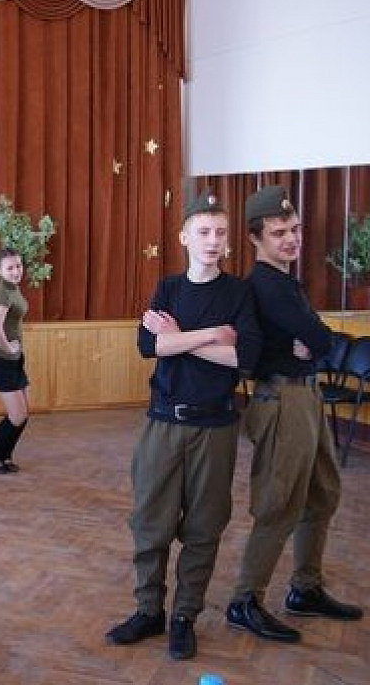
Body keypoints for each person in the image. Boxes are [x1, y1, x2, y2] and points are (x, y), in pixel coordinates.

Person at [104, 192, 261, 660]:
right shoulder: (168, 288)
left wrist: (178, 339)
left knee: (204, 527)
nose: (213, 241)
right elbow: (148, 347)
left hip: (216, 428)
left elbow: (245, 358)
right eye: (204, 232)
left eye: (220, 233)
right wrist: (212, 335)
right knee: (149, 522)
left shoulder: (239, 292)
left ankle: (183, 617)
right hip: (163, 425)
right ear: (184, 237)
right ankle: (148, 610)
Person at [225, 184, 364, 643]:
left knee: (323, 494)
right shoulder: (266, 285)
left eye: (295, 229)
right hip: (283, 400)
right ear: (255, 238)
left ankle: (305, 589)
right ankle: (244, 600)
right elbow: (321, 339)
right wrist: (312, 342)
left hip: (307, 395)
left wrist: (313, 342)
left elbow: (318, 341)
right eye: (279, 232)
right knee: (279, 503)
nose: (292, 239)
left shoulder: (286, 282)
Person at [0, 248, 32, 473]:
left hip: (14, 361)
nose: (16, 271)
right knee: (18, 415)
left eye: (18, 266)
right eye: (10, 268)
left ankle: (5, 456)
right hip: (0, 362)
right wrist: (9, 348)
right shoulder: (3, 292)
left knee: (24, 413)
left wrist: (14, 352)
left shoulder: (12, 288)